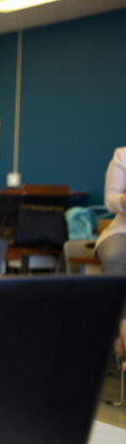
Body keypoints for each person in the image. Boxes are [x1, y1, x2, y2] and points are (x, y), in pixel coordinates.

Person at [96, 145, 126, 368]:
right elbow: (110, 200)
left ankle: (121, 345)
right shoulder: (122, 155)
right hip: (121, 232)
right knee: (115, 257)